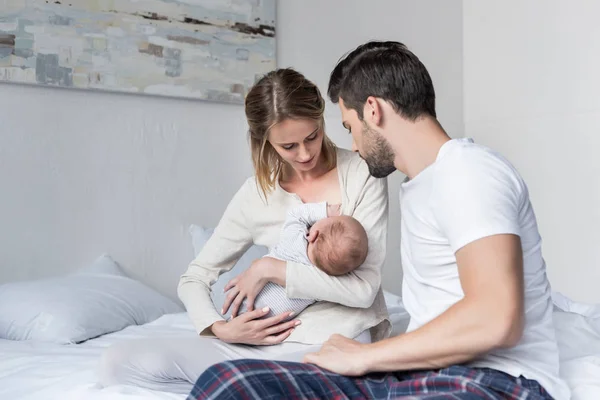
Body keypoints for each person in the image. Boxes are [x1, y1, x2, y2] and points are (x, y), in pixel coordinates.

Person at [188, 41, 571, 400]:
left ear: (373, 110)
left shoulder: (468, 172)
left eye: (349, 127)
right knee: (227, 382)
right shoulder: (420, 187)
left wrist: (367, 356)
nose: (352, 144)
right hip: (419, 374)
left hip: (493, 379)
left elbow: (495, 319)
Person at [97, 68, 390, 395]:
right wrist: (220, 328)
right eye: (289, 146)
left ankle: (242, 384)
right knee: (117, 361)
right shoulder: (256, 194)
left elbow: (363, 291)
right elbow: (194, 277)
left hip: (335, 340)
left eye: (312, 137)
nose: (305, 154)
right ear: (264, 142)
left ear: (321, 119)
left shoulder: (362, 174)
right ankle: (240, 383)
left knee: (257, 384)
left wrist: (271, 269)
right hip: (258, 345)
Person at [233, 201, 369, 321]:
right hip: (263, 321)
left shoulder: (294, 237)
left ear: (313, 235)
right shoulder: (321, 283)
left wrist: (326, 210)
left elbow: (296, 214)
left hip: (241, 294)